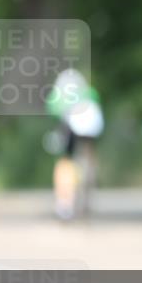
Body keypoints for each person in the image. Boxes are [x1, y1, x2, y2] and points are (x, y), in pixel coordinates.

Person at [46, 69, 104, 220]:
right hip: (91, 128)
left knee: (65, 161)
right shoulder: (89, 92)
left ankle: (64, 202)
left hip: (71, 126)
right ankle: (88, 186)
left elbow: (52, 110)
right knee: (88, 155)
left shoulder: (57, 95)